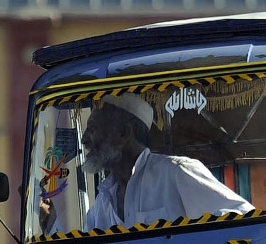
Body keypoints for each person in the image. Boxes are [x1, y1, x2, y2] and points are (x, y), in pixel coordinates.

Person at [80, 93, 253, 229]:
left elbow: (242, 218)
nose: (84, 140)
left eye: (93, 128)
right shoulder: (103, 202)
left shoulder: (176, 172)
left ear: (124, 133)